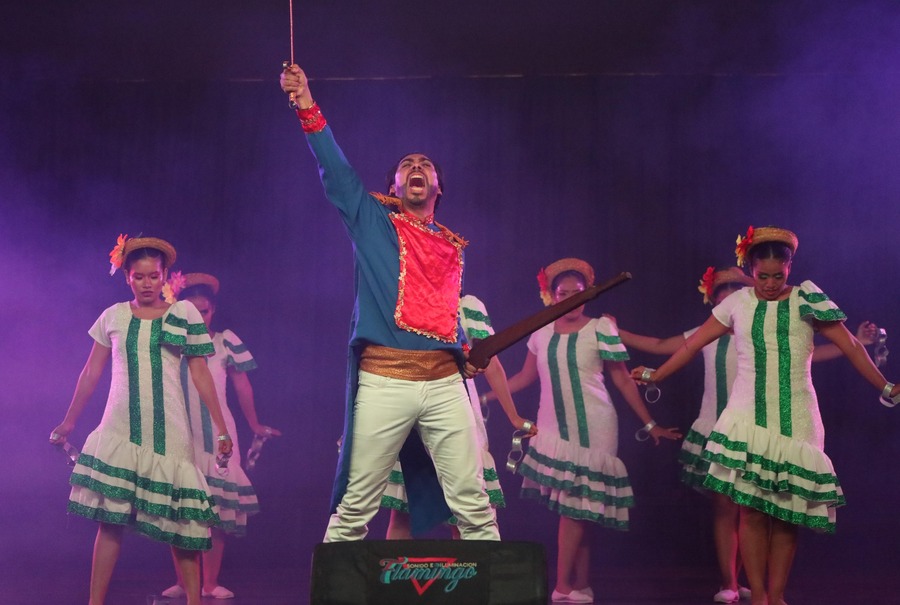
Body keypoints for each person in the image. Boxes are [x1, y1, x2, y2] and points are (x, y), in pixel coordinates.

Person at [280, 64, 501, 541]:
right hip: (385, 379)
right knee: (358, 504)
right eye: (407, 166)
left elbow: (439, 317)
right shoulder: (373, 221)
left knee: (474, 502)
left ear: (439, 187)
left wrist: (466, 355)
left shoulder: (452, 246)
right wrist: (305, 102)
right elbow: (333, 166)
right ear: (394, 187)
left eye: (426, 165)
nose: (416, 168)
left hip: (444, 382)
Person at [631, 226, 900, 605]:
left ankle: (777, 596)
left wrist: (886, 386)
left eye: (778, 275)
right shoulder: (737, 303)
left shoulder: (808, 298)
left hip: (798, 416)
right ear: (751, 269)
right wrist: (656, 374)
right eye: (762, 276)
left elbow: (852, 346)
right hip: (747, 417)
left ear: (790, 268)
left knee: (787, 514)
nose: (770, 283)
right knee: (753, 511)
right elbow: (693, 344)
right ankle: (758, 596)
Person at [483, 257, 682, 604]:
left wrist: (650, 423)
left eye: (578, 293)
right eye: (564, 293)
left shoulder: (601, 327)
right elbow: (527, 377)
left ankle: (562, 587)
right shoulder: (540, 332)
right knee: (576, 508)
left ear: (588, 294)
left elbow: (621, 377)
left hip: (595, 424)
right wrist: (488, 395)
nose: (572, 299)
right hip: (553, 427)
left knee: (577, 505)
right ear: (551, 295)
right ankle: (580, 585)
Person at [49, 236, 233, 605]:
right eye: (139, 276)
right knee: (111, 520)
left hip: (170, 429)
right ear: (127, 278)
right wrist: (69, 421)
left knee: (182, 524)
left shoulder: (183, 314)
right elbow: (90, 372)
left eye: (153, 276)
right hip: (120, 430)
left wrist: (222, 428)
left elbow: (201, 375)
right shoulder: (113, 316)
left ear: (164, 276)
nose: (147, 283)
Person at [160, 272, 281, 599]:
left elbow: (242, 386)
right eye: (193, 311)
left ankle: (209, 582)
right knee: (180, 509)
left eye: (206, 311)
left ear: (214, 311)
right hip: (179, 430)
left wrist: (254, 424)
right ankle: (186, 582)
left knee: (216, 509)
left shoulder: (225, 341)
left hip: (218, 433)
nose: (200, 317)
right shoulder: (171, 342)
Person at [381, 294, 537, 539]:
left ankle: (469, 575)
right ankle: (393, 575)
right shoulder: (406, 300)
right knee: (403, 512)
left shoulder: (467, 305)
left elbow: (492, 362)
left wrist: (514, 416)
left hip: (456, 404)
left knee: (466, 513)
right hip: (411, 407)